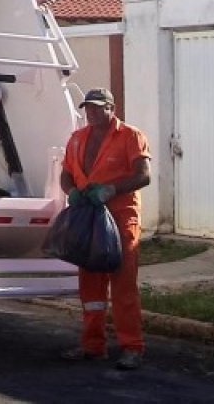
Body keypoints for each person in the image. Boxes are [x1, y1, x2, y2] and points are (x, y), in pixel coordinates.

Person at [59, 87, 151, 371]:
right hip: (88, 219)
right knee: (90, 285)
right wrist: (72, 191)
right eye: (88, 108)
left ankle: (131, 347)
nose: (92, 113)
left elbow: (143, 175)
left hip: (121, 220)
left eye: (98, 108)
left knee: (123, 285)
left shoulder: (130, 136)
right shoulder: (77, 138)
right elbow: (65, 174)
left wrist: (112, 189)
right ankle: (92, 345)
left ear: (112, 108)